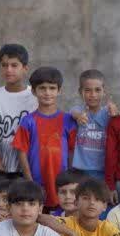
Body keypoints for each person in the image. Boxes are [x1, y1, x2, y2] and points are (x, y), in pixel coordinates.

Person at [11, 67, 78, 211]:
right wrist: (30, 181)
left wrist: (70, 178)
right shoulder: (28, 121)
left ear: (59, 91)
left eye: (52, 88)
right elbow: (21, 151)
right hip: (37, 182)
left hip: (62, 184)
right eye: (42, 88)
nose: (47, 93)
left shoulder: (67, 120)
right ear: (34, 91)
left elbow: (72, 151)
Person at [0, 44, 36, 176]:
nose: (9, 70)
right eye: (4, 65)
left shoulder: (34, 96)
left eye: (14, 65)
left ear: (25, 68)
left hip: (25, 163)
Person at [69, 70, 116, 185]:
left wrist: (115, 114)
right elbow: (72, 112)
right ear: (81, 92)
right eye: (88, 90)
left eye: (97, 90)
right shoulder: (80, 111)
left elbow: (117, 121)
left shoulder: (108, 112)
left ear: (104, 91)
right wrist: (78, 116)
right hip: (80, 170)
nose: (93, 95)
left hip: (102, 170)